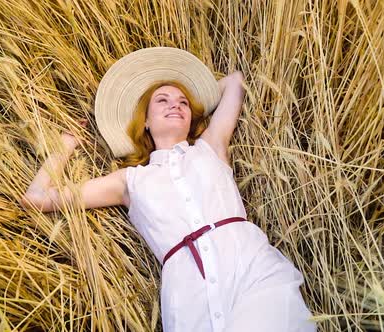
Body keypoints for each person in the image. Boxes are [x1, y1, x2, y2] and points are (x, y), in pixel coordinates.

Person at [21, 47, 316, 332]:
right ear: (145, 121)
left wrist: (196, 99)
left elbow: (235, 81)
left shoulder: (211, 146)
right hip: (188, 293)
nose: (175, 104)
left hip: (251, 269)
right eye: (162, 100)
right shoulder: (129, 181)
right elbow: (36, 199)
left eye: (184, 102)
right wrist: (65, 145)